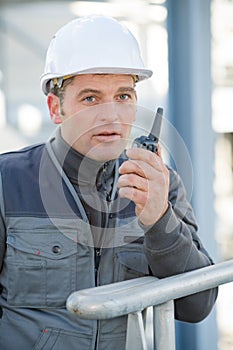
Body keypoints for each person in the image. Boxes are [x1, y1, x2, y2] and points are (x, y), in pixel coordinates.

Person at [0, 15, 217, 350]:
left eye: (124, 96)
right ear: (55, 108)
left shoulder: (159, 184)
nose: (112, 116)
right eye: (90, 98)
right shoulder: (7, 182)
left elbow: (197, 307)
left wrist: (159, 220)